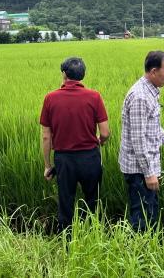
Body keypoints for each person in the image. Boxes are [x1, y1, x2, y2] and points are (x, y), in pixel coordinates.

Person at [39, 57, 110, 233]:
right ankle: (94, 236)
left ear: (64, 74)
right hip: (90, 157)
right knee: (93, 200)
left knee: (66, 202)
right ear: (82, 75)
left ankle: (67, 242)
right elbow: (105, 132)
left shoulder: (50, 98)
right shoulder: (94, 96)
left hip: (64, 160)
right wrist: (100, 142)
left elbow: (46, 137)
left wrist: (48, 166)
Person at [119, 50, 164, 231]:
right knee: (142, 216)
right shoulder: (140, 96)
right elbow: (138, 140)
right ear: (154, 71)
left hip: (146, 166)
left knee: (151, 211)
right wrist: (149, 174)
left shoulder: (151, 91)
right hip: (139, 169)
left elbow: (152, 125)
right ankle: (139, 253)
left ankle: (148, 249)